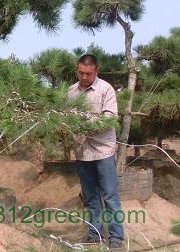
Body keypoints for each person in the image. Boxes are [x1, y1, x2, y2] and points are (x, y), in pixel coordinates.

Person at [68, 54, 124, 249]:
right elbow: (66, 118)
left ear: (96, 71)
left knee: (110, 195)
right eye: (81, 73)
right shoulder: (71, 92)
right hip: (82, 152)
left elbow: (108, 118)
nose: (84, 77)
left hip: (103, 151)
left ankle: (116, 237)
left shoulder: (105, 89)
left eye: (88, 74)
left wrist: (83, 123)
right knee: (90, 197)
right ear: (77, 70)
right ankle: (94, 234)